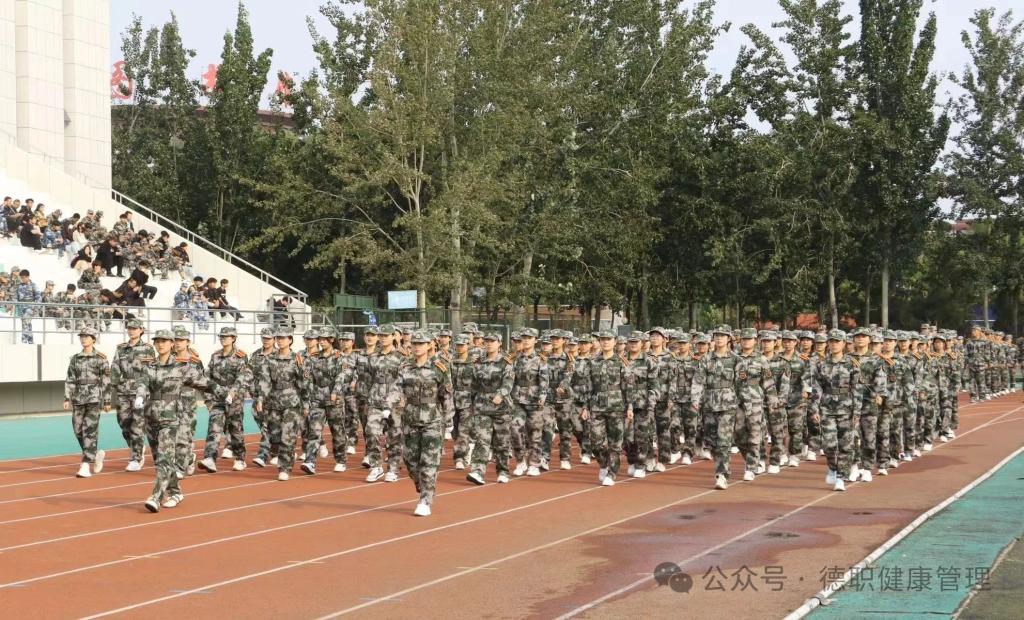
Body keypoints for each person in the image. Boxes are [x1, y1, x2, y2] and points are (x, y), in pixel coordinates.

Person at [134, 329, 220, 512]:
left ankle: (156, 497)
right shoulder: (148, 365)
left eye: (164, 341)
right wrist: (140, 396)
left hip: (171, 418)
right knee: (160, 460)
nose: (160, 344)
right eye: (157, 341)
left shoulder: (181, 367)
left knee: (164, 458)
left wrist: (224, 393)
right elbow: (142, 383)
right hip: (151, 417)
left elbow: (203, 382)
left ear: (171, 344)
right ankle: (175, 492)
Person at [391, 331, 453, 516]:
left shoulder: (439, 367)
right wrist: (388, 404)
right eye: (415, 344)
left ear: (429, 346)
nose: (417, 347)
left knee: (429, 461)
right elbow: (396, 389)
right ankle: (422, 483)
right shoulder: (404, 367)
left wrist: (449, 421)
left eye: (421, 344)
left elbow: (446, 395)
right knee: (410, 460)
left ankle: (425, 500)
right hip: (410, 419)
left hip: (432, 420)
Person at [690, 325, 742, 490]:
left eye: (722, 336)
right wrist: (695, 399)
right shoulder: (706, 359)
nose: (719, 338)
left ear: (729, 339)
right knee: (711, 441)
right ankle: (720, 463)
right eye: (716, 336)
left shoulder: (736, 360)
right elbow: (698, 380)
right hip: (709, 404)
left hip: (728, 405)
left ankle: (722, 475)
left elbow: (741, 384)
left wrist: (742, 404)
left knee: (723, 440)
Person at [255, 328, 309, 481]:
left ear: (290, 340)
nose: (280, 340)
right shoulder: (270, 359)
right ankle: (283, 456)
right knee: (275, 435)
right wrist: (260, 399)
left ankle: (284, 468)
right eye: (278, 338)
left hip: (292, 403)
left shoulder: (297, 359)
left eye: (283, 338)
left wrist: (306, 403)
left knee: (287, 436)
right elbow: (265, 381)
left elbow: (304, 383)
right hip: (273, 402)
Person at [811, 329, 862, 491]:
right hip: (827, 408)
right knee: (829, 444)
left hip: (847, 408)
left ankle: (841, 477)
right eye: (831, 341)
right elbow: (817, 388)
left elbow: (857, 389)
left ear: (844, 344)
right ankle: (833, 468)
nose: (834, 344)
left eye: (837, 341)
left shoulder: (852, 364)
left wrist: (857, 412)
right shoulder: (821, 364)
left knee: (846, 445)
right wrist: (814, 409)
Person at [581, 331, 632, 486]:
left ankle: (612, 473)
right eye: (602, 339)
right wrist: (585, 407)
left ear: (614, 341)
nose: (605, 342)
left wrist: (629, 406)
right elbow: (588, 386)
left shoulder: (621, 362)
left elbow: (628, 387)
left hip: (616, 407)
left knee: (615, 443)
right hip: (597, 406)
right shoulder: (592, 362)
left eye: (608, 339)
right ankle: (603, 464)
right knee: (595, 442)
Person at [466, 332, 516, 485]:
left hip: (501, 407)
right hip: (482, 406)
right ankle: (477, 471)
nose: (488, 344)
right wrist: (471, 402)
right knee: (482, 440)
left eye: (492, 341)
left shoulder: (505, 362)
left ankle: (503, 471)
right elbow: (473, 385)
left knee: (501, 442)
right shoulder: (478, 362)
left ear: (499, 343)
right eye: (486, 341)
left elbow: (508, 382)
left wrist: (501, 394)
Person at [64, 327, 111, 478]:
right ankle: (95, 454)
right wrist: (67, 397)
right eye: (82, 336)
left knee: (89, 430)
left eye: (87, 336)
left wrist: (107, 400)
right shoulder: (75, 358)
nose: (83, 339)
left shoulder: (100, 358)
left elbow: (106, 380)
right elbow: (70, 379)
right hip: (78, 399)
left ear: (93, 339)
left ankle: (85, 465)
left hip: (94, 399)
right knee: (78, 430)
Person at [200, 327, 249, 473]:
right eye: (221, 336)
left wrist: (233, 393)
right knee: (214, 429)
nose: (223, 339)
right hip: (217, 399)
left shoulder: (240, 356)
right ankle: (210, 458)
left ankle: (240, 458)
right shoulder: (215, 356)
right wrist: (208, 400)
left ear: (233, 338)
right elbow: (207, 378)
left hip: (234, 399)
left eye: (226, 336)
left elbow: (242, 377)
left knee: (235, 430)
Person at [110, 319, 156, 471]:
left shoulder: (148, 348)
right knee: (123, 423)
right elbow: (115, 368)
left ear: (141, 330)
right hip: (123, 391)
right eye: (129, 328)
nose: (131, 330)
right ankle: (137, 447)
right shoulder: (121, 348)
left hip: (140, 391)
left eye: (135, 328)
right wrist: (112, 389)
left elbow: (151, 370)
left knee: (137, 424)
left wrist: (149, 391)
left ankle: (136, 458)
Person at [510, 327, 549, 477]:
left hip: (534, 400)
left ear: (535, 340)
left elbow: (544, 379)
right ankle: (520, 461)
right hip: (517, 399)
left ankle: (534, 463)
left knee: (535, 433)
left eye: (529, 338)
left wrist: (543, 395)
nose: (526, 340)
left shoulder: (540, 359)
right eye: (524, 338)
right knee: (515, 429)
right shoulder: (515, 358)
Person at [171, 326, 204, 479]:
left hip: (187, 403)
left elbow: (203, 382)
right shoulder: (167, 358)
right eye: (176, 340)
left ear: (188, 342)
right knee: (172, 436)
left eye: (181, 340)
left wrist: (208, 401)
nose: (178, 343)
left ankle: (180, 466)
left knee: (184, 435)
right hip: (170, 403)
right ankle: (189, 458)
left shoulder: (194, 361)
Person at [15, 269, 41, 343]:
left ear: (28, 277)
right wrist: (15, 304)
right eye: (21, 278)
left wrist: (36, 308)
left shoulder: (33, 285)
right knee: (27, 323)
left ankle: (24, 340)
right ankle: (30, 340)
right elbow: (15, 297)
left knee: (25, 322)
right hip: (21, 308)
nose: (22, 279)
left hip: (30, 307)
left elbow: (38, 297)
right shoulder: (18, 286)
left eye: (24, 277)